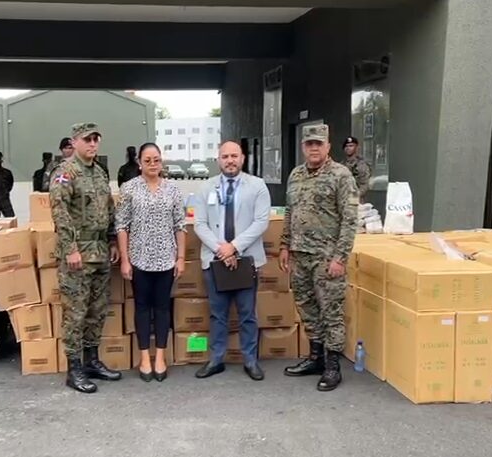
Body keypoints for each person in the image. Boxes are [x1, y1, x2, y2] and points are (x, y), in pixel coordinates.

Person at [280, 124, 358, 392]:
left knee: (331, 311)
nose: (314, 148)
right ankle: (316, 358)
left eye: (318, 144)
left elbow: (350, 220)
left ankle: (332, 365)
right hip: (300, 255)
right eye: (309, 144)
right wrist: (284, 245)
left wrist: (340, 258)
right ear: (303, 147)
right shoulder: (296, 175)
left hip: (327, 258)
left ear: (328, 146)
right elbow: (290, 212)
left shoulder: (341, 175)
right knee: (307, 307)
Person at [49, 122, 121, 394]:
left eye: (95, 139)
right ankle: (74, 369)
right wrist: (70, 249)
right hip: (77, 252)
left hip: (99, 250)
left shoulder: (99, 172)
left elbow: (109, 208)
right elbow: (60, 212)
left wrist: (112, 240)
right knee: (75, 313)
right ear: (75, 142)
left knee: (97, 310)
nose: (92, 144)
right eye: (87, 139)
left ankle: (92, 361)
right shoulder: (65, 172)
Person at [192, 141, 271, 381]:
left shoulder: (257, 186)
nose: (230, 161)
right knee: (217, 314)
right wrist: (222, 250)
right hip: (215, 260)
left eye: (234, 156)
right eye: (225, 156)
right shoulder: (205, 187)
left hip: (246, 260)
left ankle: (250, 360)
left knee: (247, 313)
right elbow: (200, 224)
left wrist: (234, 247)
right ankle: (216, 359)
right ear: (218, 159)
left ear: (242, 158)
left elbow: (261, 222)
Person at [116, 143, 185, 383]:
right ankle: (145, 357)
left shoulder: (172, 189)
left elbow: (180, 226)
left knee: (163, 308)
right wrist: (125, 260)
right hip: (139, 259)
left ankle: (160, 357)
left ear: (161, 161)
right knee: (143, 308)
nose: (153, 164)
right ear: (139, 163)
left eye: (156, 160)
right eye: (147, 160)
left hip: (166, 259)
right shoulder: (129, 188)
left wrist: (181, 258)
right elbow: (122, 226)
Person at [342, 136, 371, 203]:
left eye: (351, 146)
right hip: (342, 199)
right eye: (346, 146)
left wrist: (354, 196)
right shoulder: (341, 165)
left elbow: (364, 185)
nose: (348, 148)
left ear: (356, 147)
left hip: (356, 200)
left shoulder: (361, 165)